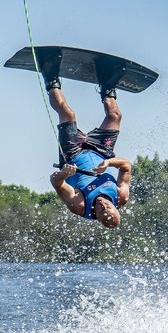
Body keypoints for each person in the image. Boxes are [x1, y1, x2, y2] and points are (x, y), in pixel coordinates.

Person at [42, 58, 132, 228]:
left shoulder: (80, 205)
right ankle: (107, 85)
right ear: (116, 207)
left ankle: (50, 74)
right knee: (115, 116)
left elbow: (56, 183)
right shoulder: (121, 196)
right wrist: (108, 163)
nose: (103, 205)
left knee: (67, 113)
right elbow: (126, 166)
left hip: (72, 154)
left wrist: (64, 174)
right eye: (108, 207)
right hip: (101, 152)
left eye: (101, 210)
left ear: (96, 216)